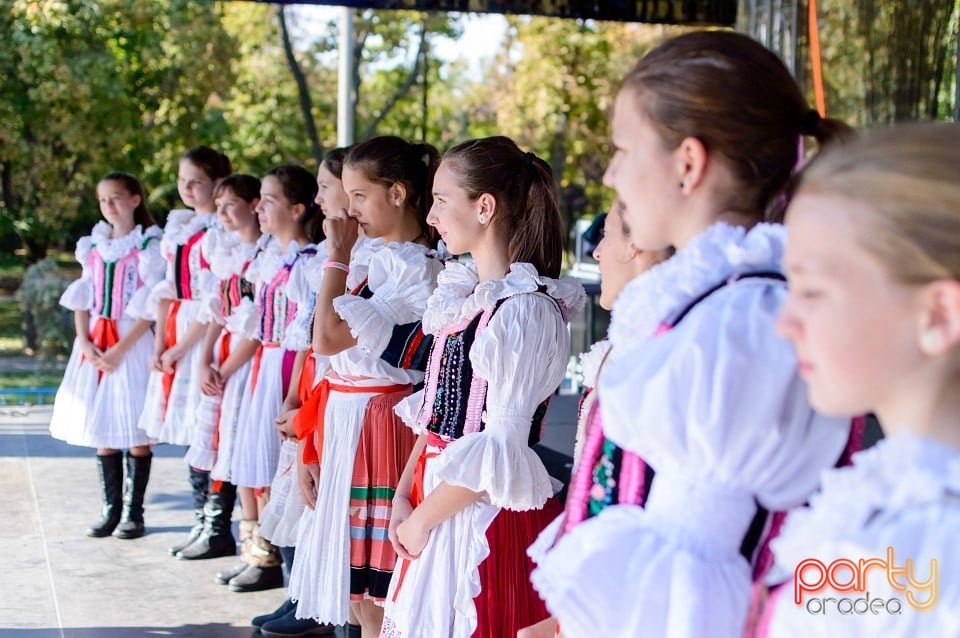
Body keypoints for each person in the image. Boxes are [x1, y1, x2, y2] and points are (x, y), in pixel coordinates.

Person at [529, 31, 853, 638]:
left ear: (687, 163)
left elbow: (686, 600)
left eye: (623, 149)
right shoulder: (727, 305)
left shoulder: (737, 325)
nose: (611, 172)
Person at [375, 136, 585, 638]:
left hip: (481, 517)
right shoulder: (467, 297)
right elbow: (435, 415)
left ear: (484, 207)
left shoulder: (526, 311)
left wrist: (421, 520)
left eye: (442, 200)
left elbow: (500, 449)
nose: (432, 216)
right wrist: (404, 497)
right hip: (435, 502)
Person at [756, 123, 960, 636]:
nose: (785, 322)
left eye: (813, 291)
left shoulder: (920, 548)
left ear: (938, 315)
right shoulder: (900, 509)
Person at [289, 136, 445, 638]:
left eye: (358, 196)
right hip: (346, 418)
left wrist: (337, 255)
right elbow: (329, 361)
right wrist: (308, 448)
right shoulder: (379, 260)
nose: (349, 209)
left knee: (376, 591)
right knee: (353, 589)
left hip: (379, 428)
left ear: (397, 194)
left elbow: (328, 338)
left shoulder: (415, 271)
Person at [251, 148, 353, 638]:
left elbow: (332, 343)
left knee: (313, 497)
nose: (318, 198)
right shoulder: (321, 264)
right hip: (311, 380)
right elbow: (311, 339)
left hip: (340, 393)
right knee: (293, 491)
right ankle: (297, 592)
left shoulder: (337, 260)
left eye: (325, 187)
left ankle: (312, 602)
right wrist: (294, 395)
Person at [225, 165, 323, 593]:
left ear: (298, 209)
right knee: (260, 464)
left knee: (282, 468)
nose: (259, 208)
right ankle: (267, 557)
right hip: (266, 363)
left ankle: (293, 580)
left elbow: (303, 332)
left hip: (287, 364)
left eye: (269, 200)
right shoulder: (275, 258)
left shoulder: (310, 262)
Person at [50, 172, 164, 539]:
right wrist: (83, 341)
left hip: (130, 342)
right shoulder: (94, 246)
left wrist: (119, 349)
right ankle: (110, 508)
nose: (109, 206)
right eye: (103, 200)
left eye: (115, 198)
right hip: (96, 339)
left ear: (134, 200)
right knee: (102, 426)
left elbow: (150, 305)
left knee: (135, 430)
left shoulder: (149, 244)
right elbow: (83, 296)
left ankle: (134, 512)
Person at [139, 146, 232, 553]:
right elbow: (164, 290)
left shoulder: (219, 232)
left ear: (216, 183)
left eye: (196, 181)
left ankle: (217, 526)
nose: (187, 188)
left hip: (203, 328)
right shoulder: (179, 228)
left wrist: (182, 348)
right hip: (176, 324)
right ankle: (201, 517)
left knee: (206, 426)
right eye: (183, 180)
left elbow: (215, 298)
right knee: (190, 430)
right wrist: (162, 342)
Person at [174, 174, 264, 561]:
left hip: (245, 363)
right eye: (220, 205)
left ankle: (262, 550)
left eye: (231, 204)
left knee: (244, 446)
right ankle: (239, 540)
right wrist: (205, 358)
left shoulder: (264, 256)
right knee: (227, 446)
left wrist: (224, 370)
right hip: (222, 357)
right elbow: (216, 311)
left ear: (254, 205)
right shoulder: (227, 253)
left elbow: (259, 326)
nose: (223, 213)